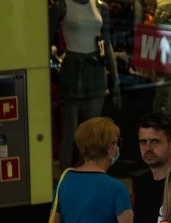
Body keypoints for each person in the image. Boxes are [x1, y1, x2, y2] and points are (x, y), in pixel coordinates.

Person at [50, 0, 121, 169]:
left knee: (93, 131)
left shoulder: (100, 7)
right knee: (70, 130)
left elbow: (107, 43)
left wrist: (116, 79)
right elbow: (44, 40)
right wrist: (52, 63)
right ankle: (66, 177)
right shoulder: (62, 6)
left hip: (95, 68)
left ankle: (90, 173)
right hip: (73, 68)